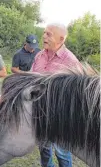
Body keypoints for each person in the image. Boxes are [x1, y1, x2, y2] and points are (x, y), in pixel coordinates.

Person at [31, 23, 82, 167]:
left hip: (61, 116)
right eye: (44, 33)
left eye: (49, 34)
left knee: (62, 152)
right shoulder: (39, 55)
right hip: (40, 113)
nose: (44, 36)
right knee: (44, 149)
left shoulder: (71, 61)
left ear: (61, 39)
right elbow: (31, 78)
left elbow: (77, 94)